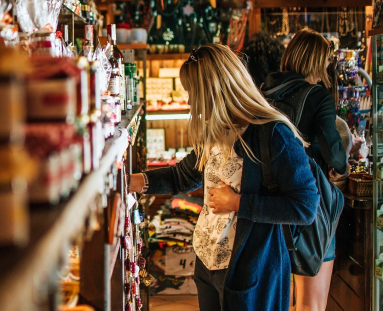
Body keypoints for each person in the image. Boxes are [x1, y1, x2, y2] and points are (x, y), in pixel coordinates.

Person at [128, 44, 319, 311]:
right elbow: (181, 176)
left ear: (214, 91)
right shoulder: (217, 129)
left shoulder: (274, 135)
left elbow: (305, 207)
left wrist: (239, 203)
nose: (190, 102)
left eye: (194, 93)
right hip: (207, 263)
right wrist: (132, 181)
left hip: (247, 270)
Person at [262, 28, 348, 311]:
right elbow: (333, 154)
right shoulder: (318, 95)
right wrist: (344, 163)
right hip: (309, 201)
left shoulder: (265, 90)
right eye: (324, 63)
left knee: (278, 297)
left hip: (269, 202)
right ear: (316, 62)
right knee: (312, 302)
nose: (325, 71)